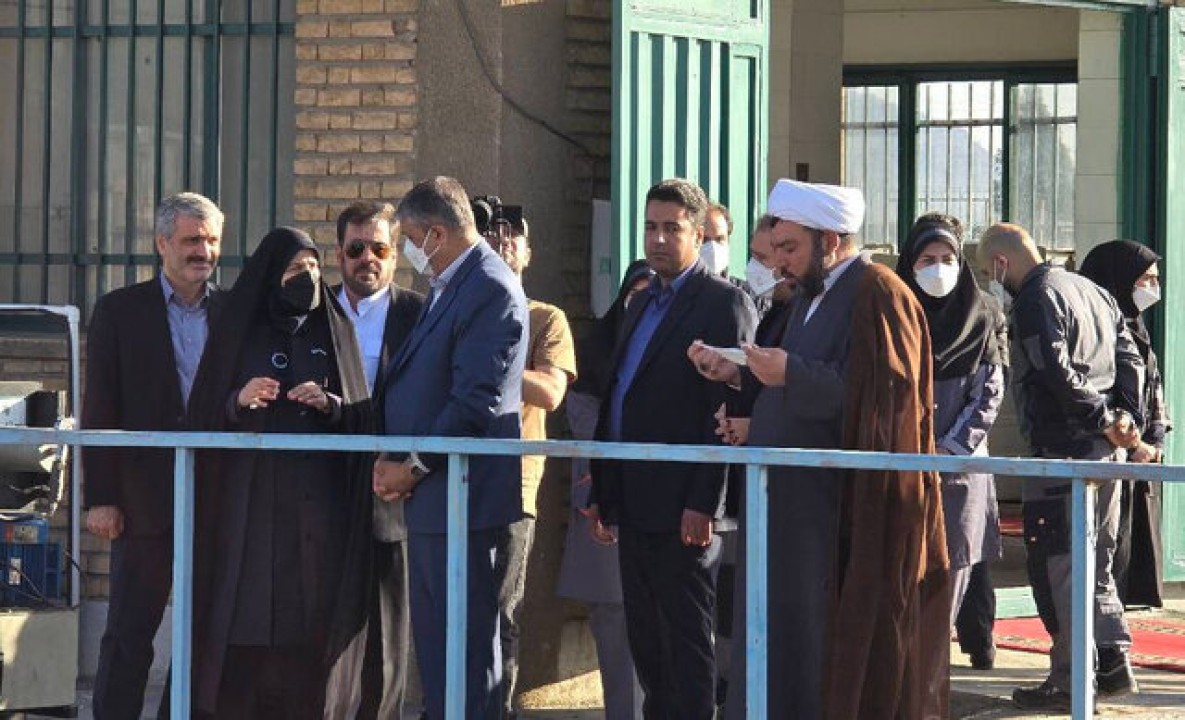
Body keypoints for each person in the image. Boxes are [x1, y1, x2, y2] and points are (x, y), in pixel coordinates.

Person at [694, 179, 949, 719]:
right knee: (774, 643)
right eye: (776, 248)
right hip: (786, 507)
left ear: (830, 241)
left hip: (837, 516)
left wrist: (792, 373)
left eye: (790, 248)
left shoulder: (878, 291)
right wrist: (740, 380)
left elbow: (888, 395)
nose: (779, 261)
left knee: (820, 652)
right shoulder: (810, 295)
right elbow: (805, 382)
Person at [186, 226, 374, 718]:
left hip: (317, 511)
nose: (306, 278)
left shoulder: (334, 327)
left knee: (307, 628)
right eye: (294, 269)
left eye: (313, 267)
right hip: (249, 510)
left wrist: (330, 404)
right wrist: (239, 398)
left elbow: (362, 414)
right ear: (271, 274)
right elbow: (204, 409)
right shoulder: (239, 327)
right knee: (246, 624)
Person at [587, 178, 756, 720]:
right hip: (633, 500)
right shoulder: (640, 304)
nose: (658, 239)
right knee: (648, 645)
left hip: (684, 507)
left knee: (685, 645)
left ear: (699, 234)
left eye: (672, 228)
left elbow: (727, 409)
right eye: (650, 227)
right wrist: (603, 489)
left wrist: (705, 502)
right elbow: (620, 395)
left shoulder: (724, 303)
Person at [372, 176, 528, 720]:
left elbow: (474, 403)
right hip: (436, 501)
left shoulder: (489, 288)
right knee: (439, 654)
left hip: (464, 498)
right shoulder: (452, 284)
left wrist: (412, 467)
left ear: (436, 233)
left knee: (465, 653)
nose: (411, 253)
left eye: (412, 240)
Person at [977, 223, 1145, 710]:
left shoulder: (1035, 298)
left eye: (990, 271)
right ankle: (1112, 662)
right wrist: (1126, 420)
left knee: (1060, 565)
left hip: (1063, 453)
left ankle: (1072, 680)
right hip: (1107, 453)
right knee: (1098, 562)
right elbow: (1130, 356)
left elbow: (1055, 372)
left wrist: (1102, 418)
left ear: (1002, 263)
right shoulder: (1091, 290)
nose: (993, 281)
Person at [82, 191, 224, 720]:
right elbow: (101, 406)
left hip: (215, 499)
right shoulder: (120, 311)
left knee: (205, 634)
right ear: (162, 243)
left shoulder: (233, 312)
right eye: (192, 240)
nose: (203, 251)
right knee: (129, 630)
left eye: (212, 240)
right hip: (143, 501)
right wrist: (101, 497)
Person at [895, 213, 1006, 661]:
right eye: (927, 260)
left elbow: (988, 394)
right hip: (902, 467)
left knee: (955, 570)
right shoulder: (895, 314)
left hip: (959, 471)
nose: (938, 269)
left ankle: (933, 675)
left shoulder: (982, 315)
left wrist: (948, 449)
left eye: (947, 259)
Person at [332, 200, 425, 718]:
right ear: (339, 254)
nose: (367, 258)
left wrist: (408, 466)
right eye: (356, 248)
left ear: (395, 255)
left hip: (394, 492)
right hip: (324, 494)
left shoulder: (420, 314)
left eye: (380, 249)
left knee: (387, 639)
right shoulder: (313, 312)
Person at [488, 217, 577, 718]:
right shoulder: (453, 310)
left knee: (502, 610)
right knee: (449, 607)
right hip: (448, 477)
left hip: (513, 483)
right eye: (490, 235)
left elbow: (550, 391)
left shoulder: (546, 318)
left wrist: (490, 361)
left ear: (528, 251)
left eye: (512, 236)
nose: (501, 243)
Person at [556, 260, 652, 720]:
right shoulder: (596, 350)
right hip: (606, 512)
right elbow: (584, 417)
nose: (641, 306)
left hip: (662, 513)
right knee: (615, 632)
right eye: (635, 295)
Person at [1079, 240, 1171, 608]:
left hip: (1140, 454)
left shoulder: (1139, 329)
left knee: (1132, 549)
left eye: (1155, 279)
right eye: (1144, 279)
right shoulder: (1098, 330)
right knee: (1105, 551)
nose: (1152, 288)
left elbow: (1153, 387)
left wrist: (1155, 438)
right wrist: (1131, 442)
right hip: (1112, 449)